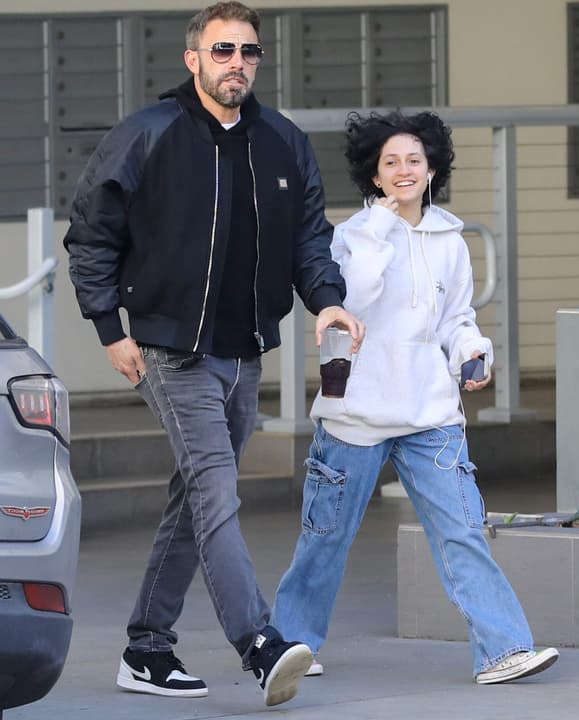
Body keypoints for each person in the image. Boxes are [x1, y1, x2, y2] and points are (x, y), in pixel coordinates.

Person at [63, 0, 365, 707]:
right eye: (223, 50)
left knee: (196, 497)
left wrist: (325, 298)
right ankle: (258, 644)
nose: (237, 63)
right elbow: (91, 236)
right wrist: (111, 329)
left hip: (245, 354)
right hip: (172, 351)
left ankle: (146, 648)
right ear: (193, 58)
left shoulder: (282, 142)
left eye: (249, 52)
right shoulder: (150, 134)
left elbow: (309, 240)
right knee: (217, 492)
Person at [271, 110, 559, 685]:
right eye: (390, 163)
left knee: (463, 529)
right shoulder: (352, 236)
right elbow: (352, 300)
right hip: (356, 414)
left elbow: (456, 317)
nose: (404, 171)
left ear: (432, 170)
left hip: (430, 413)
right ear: (373, 176)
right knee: (325, 539)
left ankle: (503, 649)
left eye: (415, 161)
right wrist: (383, 225)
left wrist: (472, 352)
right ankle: (290, 644)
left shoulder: (451, 239)